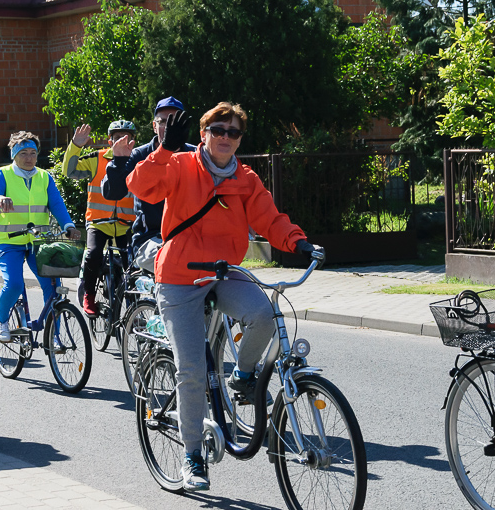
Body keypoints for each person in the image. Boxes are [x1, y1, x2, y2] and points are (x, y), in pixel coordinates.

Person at [127, 102, 321, 492]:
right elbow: (139, 186)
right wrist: (165, 149)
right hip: (179, 277)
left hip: (222, 271)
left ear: (240, 140)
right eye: (218, 130)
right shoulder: (180, 164)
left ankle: (243, 376)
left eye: (233, 132)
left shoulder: (245, 178)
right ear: (203, 135)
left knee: (264, 314)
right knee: (192, 370)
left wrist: (297, 242)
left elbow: (269, 218)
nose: (225, 138)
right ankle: (193, 457)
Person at [0, 131, 80, 343]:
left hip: (38, 241)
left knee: (53, 287)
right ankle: (1, 320)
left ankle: (54, 336)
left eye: (33, 153)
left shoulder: (44, 177)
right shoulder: (4, 174)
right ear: (14, 155)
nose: (29, 158)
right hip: (8, 242)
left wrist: (68, 225)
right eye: (23, 153)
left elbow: (56, 204)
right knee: (15, 284)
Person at [103, 96, 196, 255]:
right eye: (163, 121)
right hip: (150, 237)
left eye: (174, 121)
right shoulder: (138, 154)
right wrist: (118, 161)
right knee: (172, 256)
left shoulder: (196, 154)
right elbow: (113, 192)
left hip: (191, 236)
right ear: (154, 126)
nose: (169, 126)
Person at [63, 120, 137, 316]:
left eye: (127, 137)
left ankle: (135, 306)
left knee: (133, 263)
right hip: (98, 223)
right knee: (93, 254)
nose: (122, 140)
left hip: (127, 224)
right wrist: (76, 146)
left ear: (133, 141)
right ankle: (89, 294)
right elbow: (69, 171)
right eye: (117, 137)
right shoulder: (97, 158)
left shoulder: (138, 160)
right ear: (110, 141)